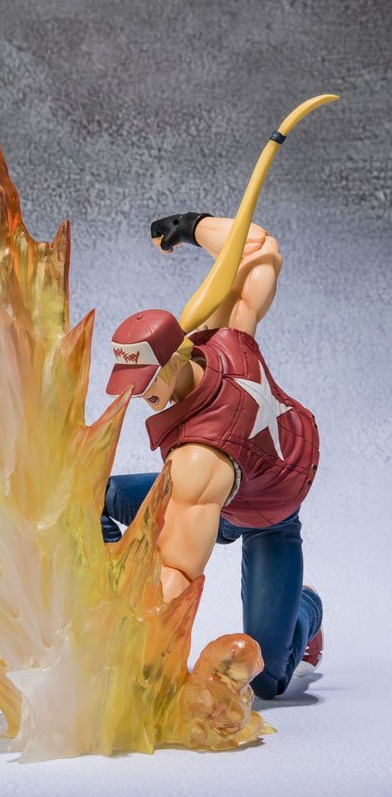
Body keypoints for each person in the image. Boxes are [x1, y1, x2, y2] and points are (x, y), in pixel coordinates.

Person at [101, 212, 323, 700]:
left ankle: (306, 612)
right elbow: (258, 249)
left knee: (266, 679)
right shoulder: (223, 338)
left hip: (269, 510)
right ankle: (102, 574)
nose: (138, 394)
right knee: (90, 494)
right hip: (217, 494)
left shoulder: (199, 458)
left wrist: (133, 639)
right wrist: (193, 225)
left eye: (147, 381)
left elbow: (179, 574)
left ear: (174, 360)